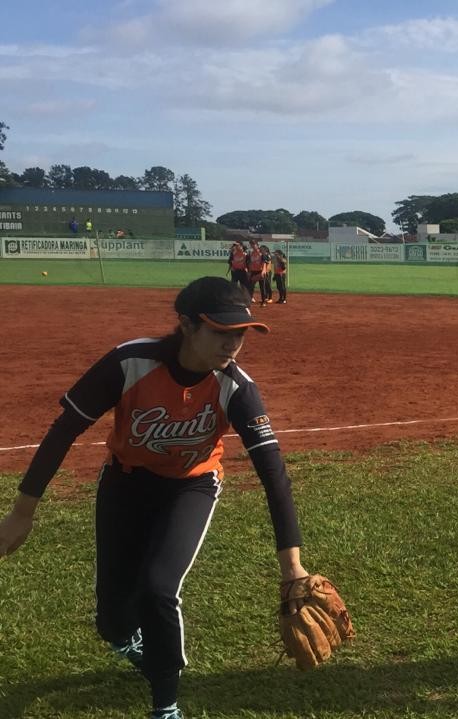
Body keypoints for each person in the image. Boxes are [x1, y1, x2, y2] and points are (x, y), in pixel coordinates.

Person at [0, 277, 314, 719]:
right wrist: (21, 513)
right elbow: (64, 430)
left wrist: (292, 564)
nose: (233, 344)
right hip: (125, 484)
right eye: (221, 332)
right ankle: (127, 639)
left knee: (158, 589)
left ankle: (165, 706)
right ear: (186, 325)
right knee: (112, 620)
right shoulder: (130, 362)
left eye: (240, 333)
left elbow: (273, 472)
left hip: (192, 485)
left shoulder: (236, 387)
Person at [246, 240, 268, 306]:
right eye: (251, 244)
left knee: (262, 287)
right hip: (253, 271)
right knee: (250, 286)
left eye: (253, 244)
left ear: (257, 245)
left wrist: (263, 271)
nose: (252, 246)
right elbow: (250, 263)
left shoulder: (261, 253)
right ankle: (249, 300)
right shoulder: (251, 253)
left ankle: (263, 301)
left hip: (260, 271)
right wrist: (249, 271)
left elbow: (264, 263)